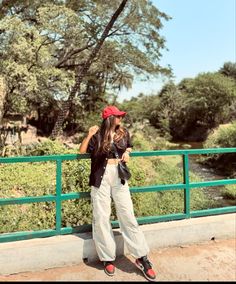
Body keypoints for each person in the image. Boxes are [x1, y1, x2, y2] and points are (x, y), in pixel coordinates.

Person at [79, 105, 156, 281]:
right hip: (101, 179)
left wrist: (128, 152)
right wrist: (89, 134)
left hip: (119, 178)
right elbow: (82, 151)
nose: (120, 119)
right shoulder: (97, 135)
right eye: (118, 116)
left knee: (128, 215)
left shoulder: (123, 133)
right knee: (101, 217)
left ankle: (141, 257)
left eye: (120, 116)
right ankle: (107, 258)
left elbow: (129, 146)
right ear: (109, 118)